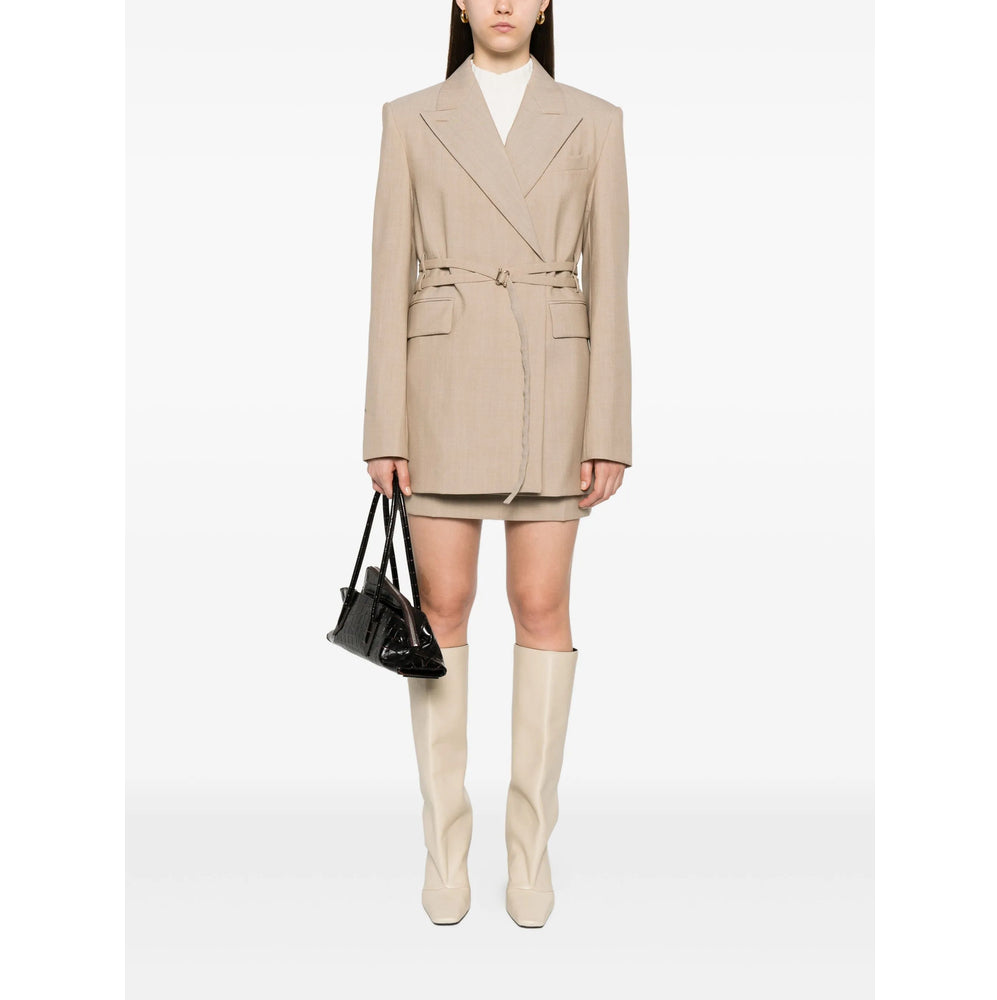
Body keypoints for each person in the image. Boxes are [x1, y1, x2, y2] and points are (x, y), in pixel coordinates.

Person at [361, 0, 632, 927]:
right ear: (460, 2)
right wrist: (385, 425)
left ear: (547, 3)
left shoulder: (596, 122)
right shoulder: (409, 118)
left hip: (554, 388)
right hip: (441, 385)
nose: (505, 2)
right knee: (440, 610)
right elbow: (386, 277)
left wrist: (608, 426)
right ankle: (445, 851)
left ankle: (530, 851)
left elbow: (612, 282)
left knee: (542, 605)